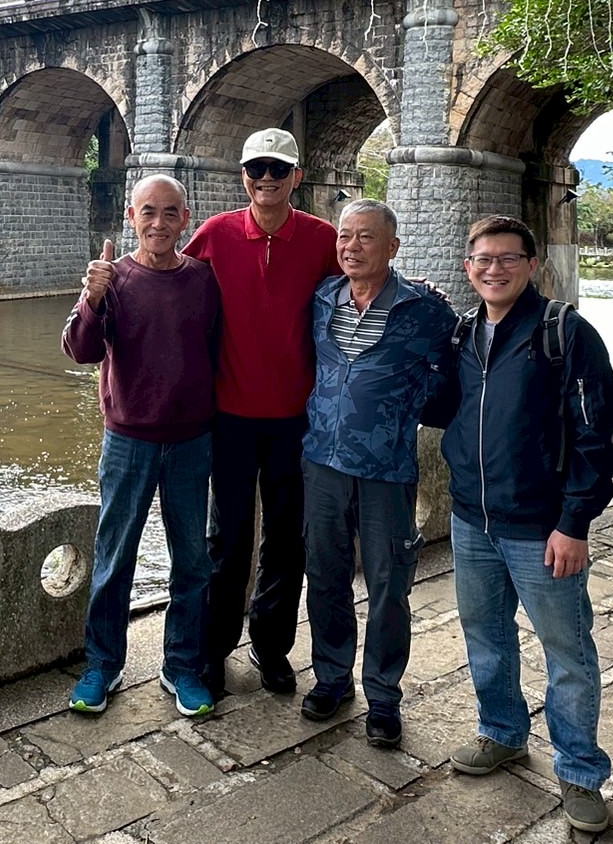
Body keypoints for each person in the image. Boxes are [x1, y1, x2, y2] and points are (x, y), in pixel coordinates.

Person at [434, 215, 613, 833]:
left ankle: (580, 772)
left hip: (542, 527)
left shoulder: (564, 333)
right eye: (483, 259)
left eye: (508, 258)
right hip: (472, 519)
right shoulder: (463, 334)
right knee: (485, 635)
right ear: (469, 268)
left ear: (532, 265)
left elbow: (594, 436)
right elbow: (443, 407)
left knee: (567, 650)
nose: (495, 269)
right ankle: (502, 731)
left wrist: (575, 522)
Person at [182, 128, 340, 698]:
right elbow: (168, 281)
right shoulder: (216, 233)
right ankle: (214, 646)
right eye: (256, 169)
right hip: (229, 413)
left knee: (286, 539)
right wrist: (109, 287)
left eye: (278, 169)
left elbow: (362, 286)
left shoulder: (322, 239)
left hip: (296, 418)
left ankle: (271, 646)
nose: (266, 179)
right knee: (226, 538)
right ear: (243, 176)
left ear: (297, 176)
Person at [61, 174, 221, 718]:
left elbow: (215, 348)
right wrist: (92, 298)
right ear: (131, 217)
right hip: (128, 440)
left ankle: (182, 666)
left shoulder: (202, 279)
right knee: (115, 556)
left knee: (192, 561)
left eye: (170, 212)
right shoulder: (112, 278)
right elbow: (80, 350)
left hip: (191, 441)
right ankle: (102, 664)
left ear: (185, 219)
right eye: (147, 211)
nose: (158, 222)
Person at [300, 199, 456, 748]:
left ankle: (384, 696)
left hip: (387, 468)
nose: (352, 247)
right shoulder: (322, 297)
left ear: (392, 247)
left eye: (366, 237)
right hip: (321, 460)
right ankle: (331, 678)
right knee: (324, 573)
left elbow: (453, 371)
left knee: (389, 584)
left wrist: (407, 409)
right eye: (345, 236)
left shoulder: (424, 309)